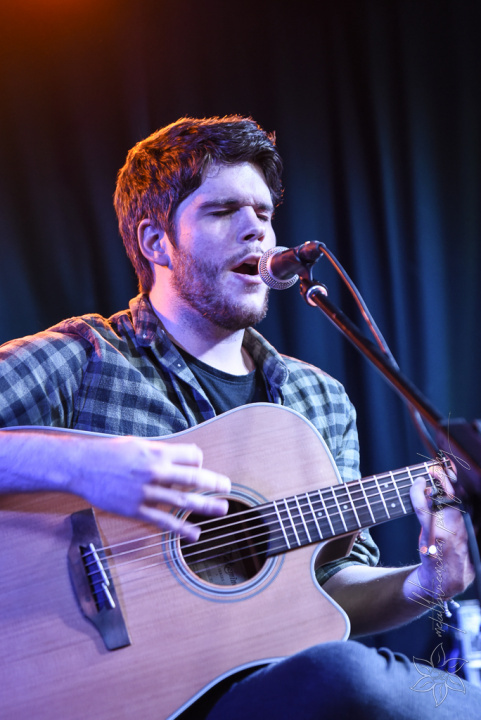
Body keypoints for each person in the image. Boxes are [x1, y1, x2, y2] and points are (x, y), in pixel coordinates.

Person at [0, 116, 477, 718]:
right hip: (92, 697)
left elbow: (328, 592)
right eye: (224, 211)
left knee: (375, 679)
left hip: (257, 698)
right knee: (349, 676)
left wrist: (424, 586)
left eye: (264, 213)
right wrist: (84, 465)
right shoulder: (86, 358)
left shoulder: (319, 399)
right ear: (156, 242)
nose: (257, 229)